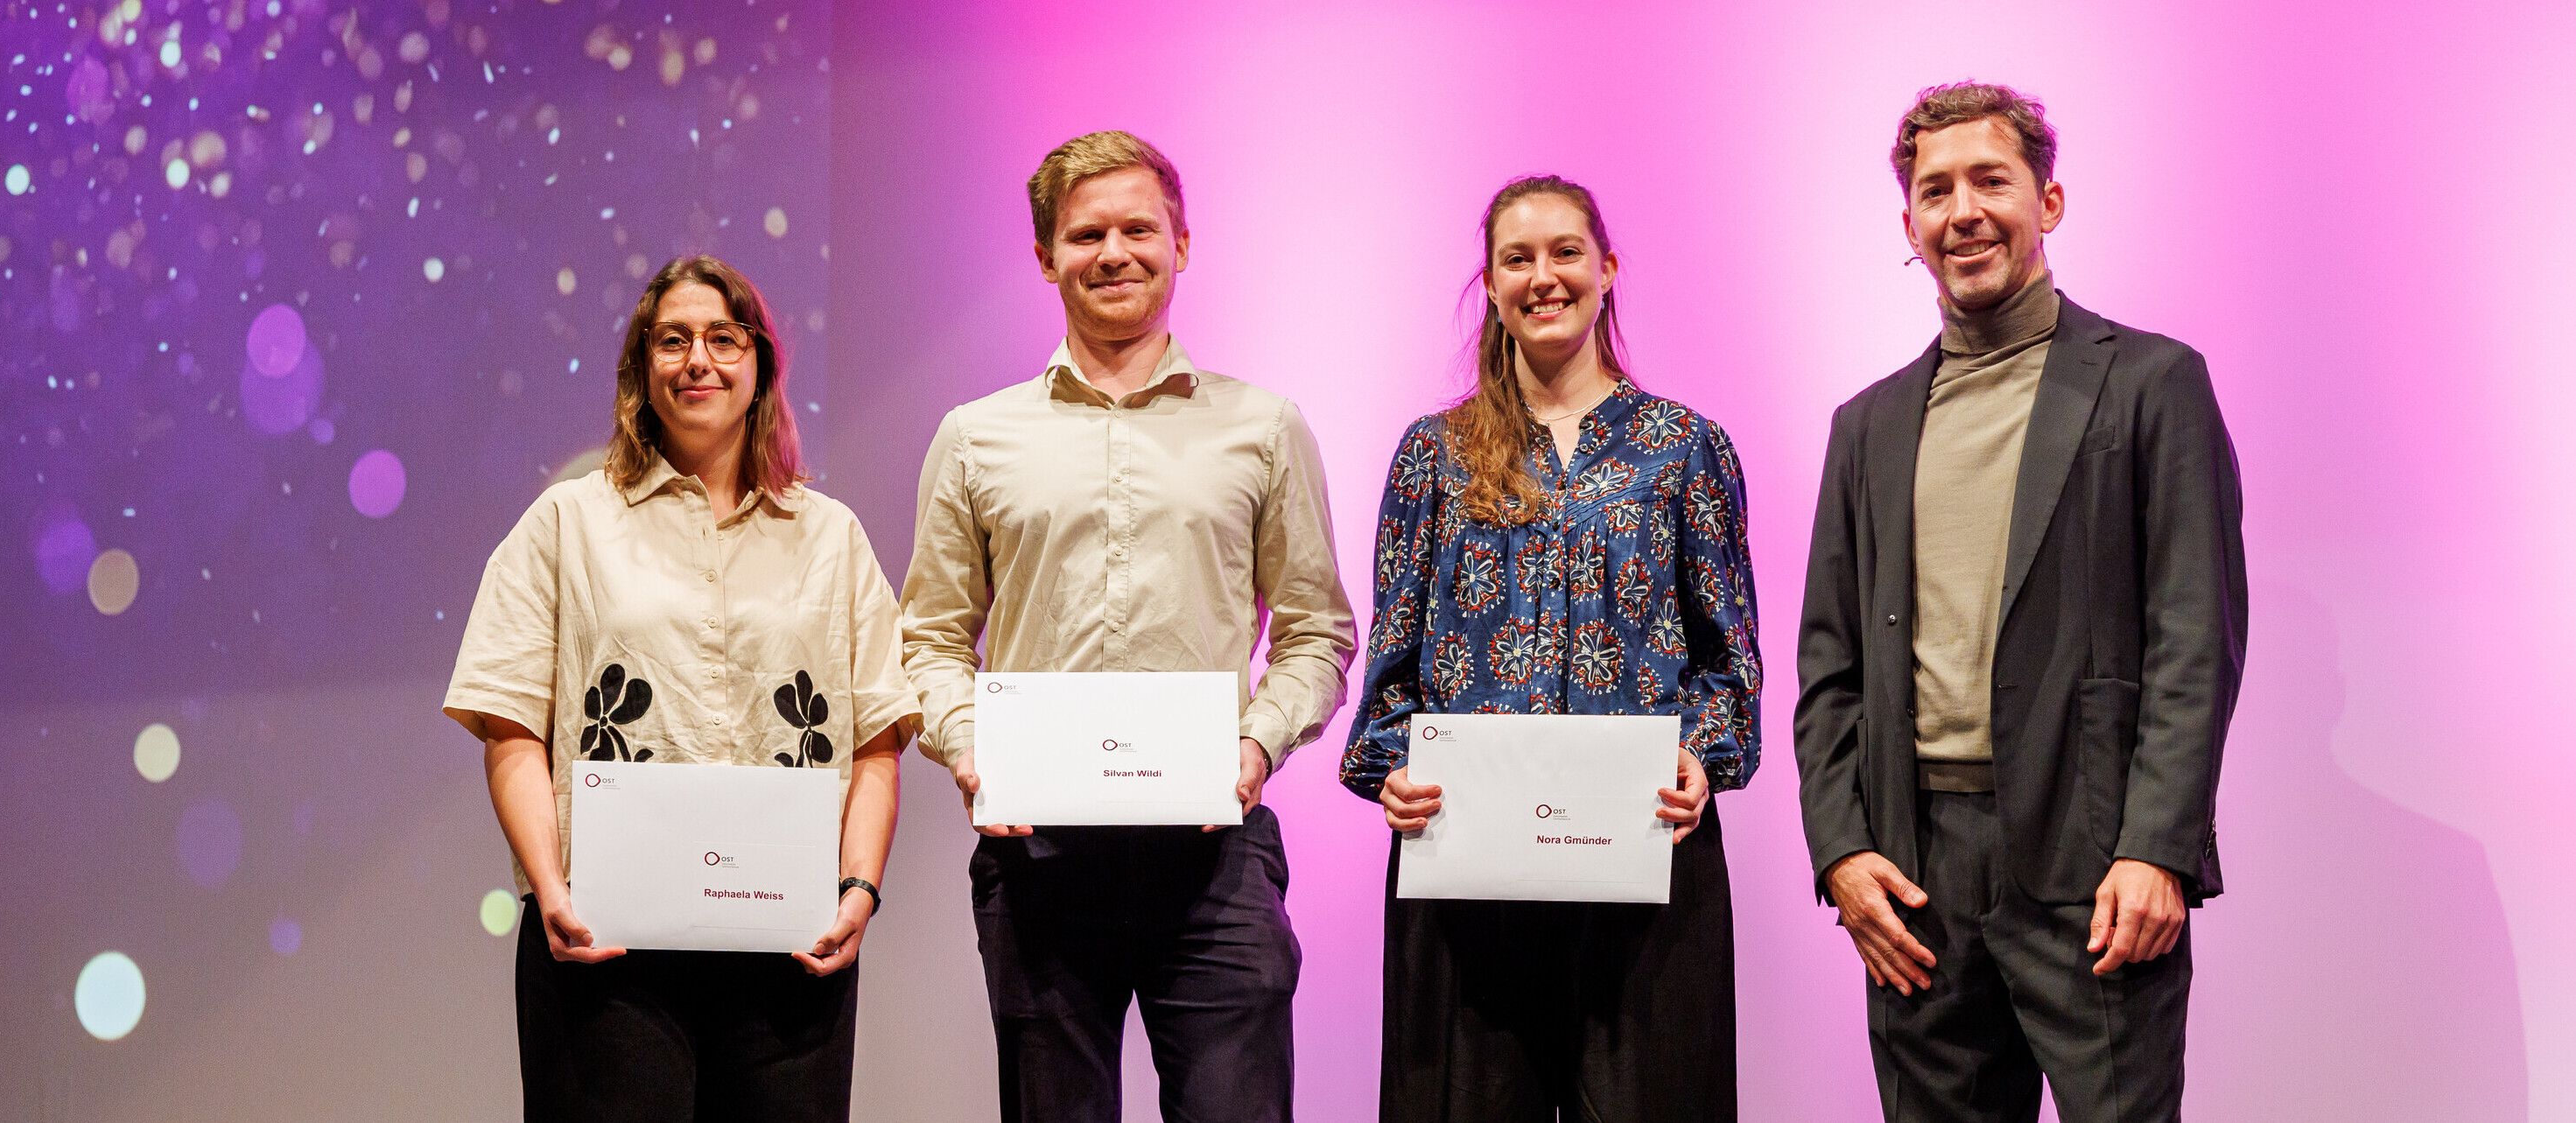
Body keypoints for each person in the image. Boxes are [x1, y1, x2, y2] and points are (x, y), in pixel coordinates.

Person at [1795, 82, 2248, 1122]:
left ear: (2048, 201)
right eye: (1936, 190)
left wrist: (2157, 847)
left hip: (2097, 866)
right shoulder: (1866, 425)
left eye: (1990, 181)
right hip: (1916, 877)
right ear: (1909, 224)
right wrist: (1843, 851)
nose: (1963, 211)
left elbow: (2196, 638)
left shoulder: (2152, 382)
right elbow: (1830, 664)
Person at [897, 130, 1357, 1123]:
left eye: (1139, 230)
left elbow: (1316, 631)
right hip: (1040, 857)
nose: (1114, 253)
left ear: (1180, 244)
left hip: (1214, 852)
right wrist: (972, 750)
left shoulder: (1263, 427)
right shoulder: (976, 437)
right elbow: (929, 637)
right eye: (1086, 234)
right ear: (1045, 256)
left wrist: (1254, 745)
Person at [443, 255, 921, 1123]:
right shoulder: (567, 523)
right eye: (673, 340)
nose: (698, 359)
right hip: (608, 948)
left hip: (789, 949)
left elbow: (876, 744)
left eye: (723, 338)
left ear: (760, 364)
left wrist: (859, 887)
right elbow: (510, 725)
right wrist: (550, 888)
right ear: (642, 367)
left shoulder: (832, 538)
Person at [1339, 174, 1760, 1122]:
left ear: (1607, 270)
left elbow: (1729, 655)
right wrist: (1394, 767)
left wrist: (1703, 753)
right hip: (1468, 864)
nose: (1543, 276)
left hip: (1647, 854)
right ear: (1490, 286)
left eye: (1566, 252)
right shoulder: (1434, 453)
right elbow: (1392, 660)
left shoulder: (1685, 447)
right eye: (1517, 259)